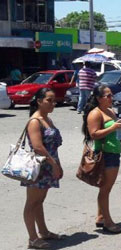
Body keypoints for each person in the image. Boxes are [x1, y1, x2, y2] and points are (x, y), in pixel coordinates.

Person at [82, 85, 121, 234]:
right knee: (105, 190)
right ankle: (108, 222)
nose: (111, 98)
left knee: (105, 189)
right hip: (105, 154)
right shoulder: (95, 113)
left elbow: (115, 131)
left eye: (111, 95)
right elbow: (94, 134)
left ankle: (101, 217)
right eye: (107, 96)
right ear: (98, 98)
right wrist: (113, 127)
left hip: (114, 152)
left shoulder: (110, 111)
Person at [23, 88, 63, 249]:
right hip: (39, 168)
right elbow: (38, 147)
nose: (53, 103)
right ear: (39, 101)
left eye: (54, 100)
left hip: (49, 165)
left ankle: (44, 232)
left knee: (39, 201)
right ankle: (33, 238)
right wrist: (54, 164)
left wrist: (57, 165)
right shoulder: (35, 121)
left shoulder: (47, 119)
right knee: (32, 203)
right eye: (49, 100)